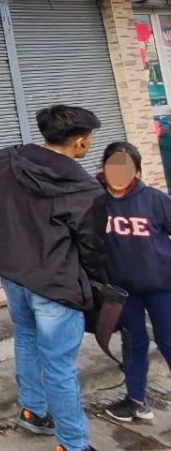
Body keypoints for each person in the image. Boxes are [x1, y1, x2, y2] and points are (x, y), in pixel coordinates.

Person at [0, 105, 130, 451]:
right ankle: (74, 448)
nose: (90, 144)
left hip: (12, 273)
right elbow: (93, 248)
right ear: (79, 142)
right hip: (55, 285)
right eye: (89, 138)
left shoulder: (4, 159)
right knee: (60, 364)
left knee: (26, 336)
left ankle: (33, 411)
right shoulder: (84, 188)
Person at [96, 141, 171, 424]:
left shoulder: (154, 199)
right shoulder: (97, 204)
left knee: (168, 341)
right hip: (123, 292)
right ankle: (135, 400)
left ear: (136, 170)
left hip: (162, 286)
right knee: (134, 342)